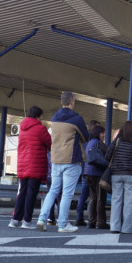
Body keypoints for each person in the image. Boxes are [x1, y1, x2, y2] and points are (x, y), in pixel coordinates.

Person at [37, 91, 88, 232]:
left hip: (55, 159)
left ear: (61, 102)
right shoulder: (76, 119)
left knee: (53, 190)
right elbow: (86, 137)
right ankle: (62, 224)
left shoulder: (54, 118)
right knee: (66, 194)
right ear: (72, 102)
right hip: (71, 159)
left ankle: (41, 219)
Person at [10, 106, 51, 229]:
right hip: (35, 165)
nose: (42, 119)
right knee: (31, 194)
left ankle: (15, 219)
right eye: (41, 116)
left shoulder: (22, 128)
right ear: (37, 116)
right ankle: (27, 221)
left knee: (22, 192)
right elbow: (50, 144)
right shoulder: (40, 128)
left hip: (23, 165)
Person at [105, 121, 132, 233]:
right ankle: (127, 228)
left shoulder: (117, 141)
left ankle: (114, 226)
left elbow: (108, 155)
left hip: (116, 173)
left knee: (116, 200)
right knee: (130, 202)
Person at [75, 119, 101, 226]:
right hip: (93, 170)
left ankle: (79, 217)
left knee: (83, 195)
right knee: (94, 196)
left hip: (84, 170)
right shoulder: (94, 140)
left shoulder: (83, 139)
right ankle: (92, 218)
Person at [83, 125, 109, 229]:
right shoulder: (98, 143)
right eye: (102, 133)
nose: (103, 135)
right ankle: (100, 222)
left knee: (93, 198)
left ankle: (91, 221)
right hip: (97, 173)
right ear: (97, 133)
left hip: (88, 173)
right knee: (100, 198)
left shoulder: (89, 143)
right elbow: (107, 155)